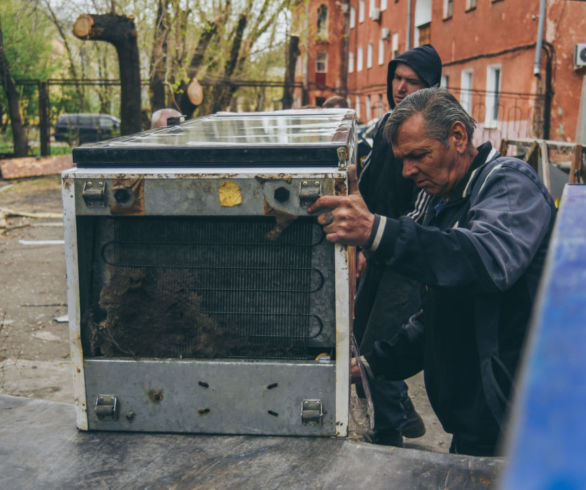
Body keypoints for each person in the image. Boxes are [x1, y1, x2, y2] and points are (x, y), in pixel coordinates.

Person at [309, 87, 556, 456]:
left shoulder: (508, 184)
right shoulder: (444, 201)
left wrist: (377, 231)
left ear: (458, 137)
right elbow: (442, 313)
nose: (408, 171)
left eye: (418, 156)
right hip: (475, 425)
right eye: (402, 160)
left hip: (515, 425)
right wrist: (374, 364)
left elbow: (483, 263)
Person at [352, 44, 442, 447]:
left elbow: (424, 209)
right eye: (398, 78)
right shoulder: (387, 123)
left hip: (408, 257)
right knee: (357, 333)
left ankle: (387, 435)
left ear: (430, 87)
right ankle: (403, 412)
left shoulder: (433, 131)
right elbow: (368, 185)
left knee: (378, 345)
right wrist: (362, 242)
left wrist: (379, 236)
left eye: (413, 81)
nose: (402, 87)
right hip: (378, 248)